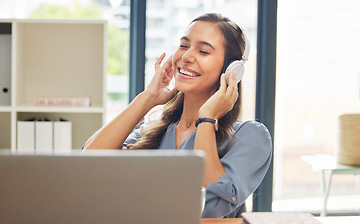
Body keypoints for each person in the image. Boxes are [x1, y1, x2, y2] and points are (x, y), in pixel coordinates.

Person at [83, 13, 272, 218]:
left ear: (231, 70)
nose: (187, 57)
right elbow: (89, 163)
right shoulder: (154, 132)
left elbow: (215, 206)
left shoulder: (250, 136)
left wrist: (207, 119)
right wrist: (147, 98)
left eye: (203, 51)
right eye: (184, 45)